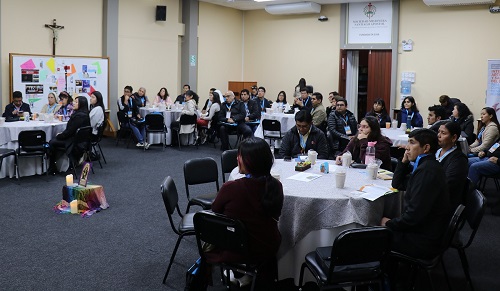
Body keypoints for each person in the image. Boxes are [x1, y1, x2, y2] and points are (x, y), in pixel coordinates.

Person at [209, 137, 284, 286]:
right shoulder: (276, 186)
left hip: (239, 249)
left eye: (241, 156)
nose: (237, 158)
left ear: (250, 161)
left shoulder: (231, 188)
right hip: (268, 246)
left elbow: (216, 210)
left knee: (207, 232)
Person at [382, 128, 450, 260]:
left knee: (374, 232)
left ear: (426, 148)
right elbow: (397, 184)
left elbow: (413, 216)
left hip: (423, 240)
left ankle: (386, 277)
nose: (407, 147)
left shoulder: (427, 172)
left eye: (412, 143)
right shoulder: (426, 166)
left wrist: (389, 223)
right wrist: (404, 161)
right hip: (425, 229)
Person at [47, 96, 91, 174]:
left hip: (74, 142)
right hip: (82, 141)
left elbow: (69, 132)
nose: (73, 103)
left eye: (76, 102)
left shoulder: (78, 116)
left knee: (51, 142)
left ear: (81, 104)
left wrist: (59, 135)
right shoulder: (85, 114)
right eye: (74, 101)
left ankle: (52, 167)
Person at [436, 122, 468, 209]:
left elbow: (447, 186)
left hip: (443, 205)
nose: (439, 135)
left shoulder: (459, 160)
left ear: (454, 138)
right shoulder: (437, 151)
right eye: (439, 132)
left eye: (443, 133)